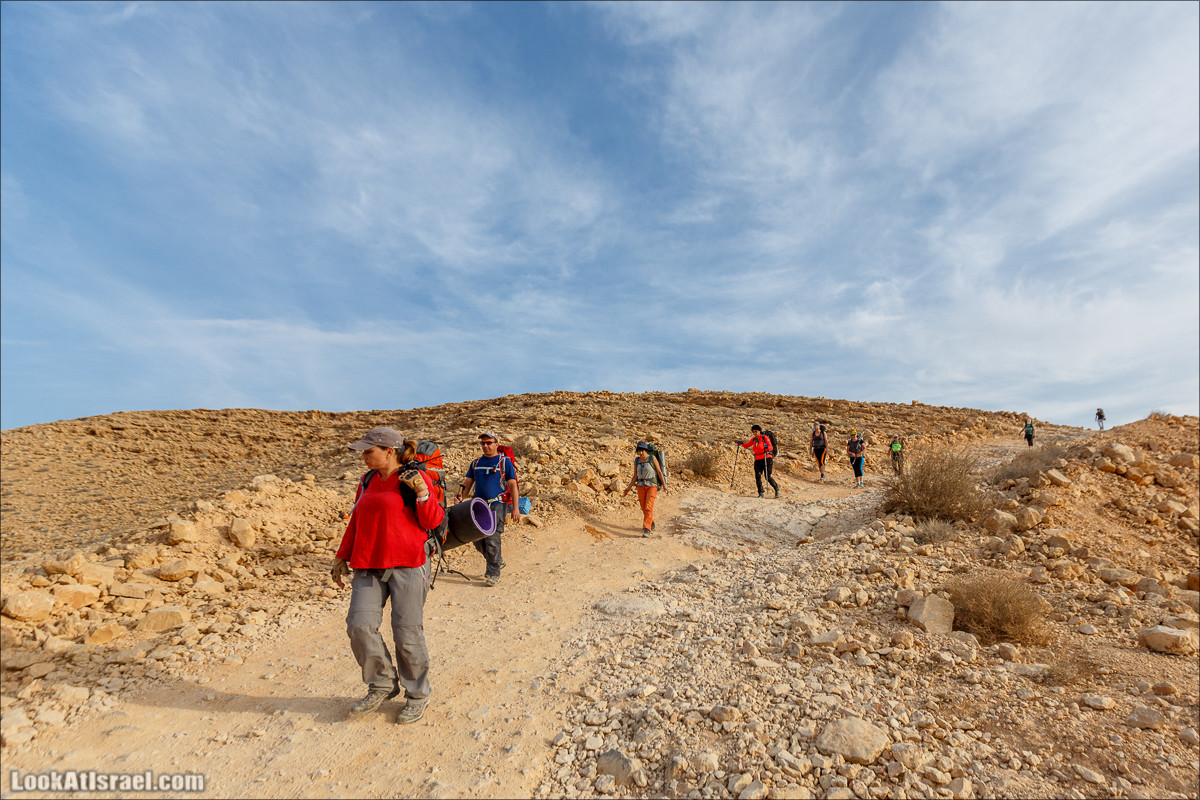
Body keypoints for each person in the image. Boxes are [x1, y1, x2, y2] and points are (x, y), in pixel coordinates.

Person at [331, 426, 444, 725]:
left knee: (407, 632)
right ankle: (382, 683)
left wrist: (421, 492)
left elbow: (432, 519)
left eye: (369, 451)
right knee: (359, 625)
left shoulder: (412, 478)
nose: (364, 457)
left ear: (389, 452)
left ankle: (417, 694)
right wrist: (342, 555)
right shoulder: (367, 481)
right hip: (368, 563)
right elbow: (357, 519)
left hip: (408, 563)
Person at [457, 431, 520, 587]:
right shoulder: (476, 463)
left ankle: (493, 573)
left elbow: (512, 485)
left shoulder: (504, 462)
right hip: (479, 506)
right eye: (483, 443)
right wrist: (460, 496)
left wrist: (515, 508)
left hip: (497, 505)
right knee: (477, 539)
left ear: (496, 444)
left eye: (489, 442)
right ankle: (497, 561)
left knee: (492, 539)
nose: (485, 446)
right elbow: (467, 483)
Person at [622, 441, 668, 536]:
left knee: (648, 506)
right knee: (643, 507)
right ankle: (652, 522)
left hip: (652, 485)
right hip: (640, 486)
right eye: (639, 451)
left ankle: (647, 529)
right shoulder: (637, 461)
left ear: (646, 450)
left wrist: (665, 485)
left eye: (642, 450)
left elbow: (659, 472)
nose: (641, 453)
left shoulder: (652, 458)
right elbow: (635, 476)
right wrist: (628, 488)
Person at [736, 424, 778, 498]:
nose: (755, 433)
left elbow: (771, 447)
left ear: (759, 431)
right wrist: (742, 443)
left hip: (767, 458)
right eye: (753, 431)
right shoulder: (754, 440)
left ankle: (777, 489)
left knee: (767, 476)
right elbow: (747, 445)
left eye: (756, 431)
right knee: (757, 476)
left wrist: (767, 447)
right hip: (758, 459)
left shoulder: (764, 438)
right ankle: (760, 493)